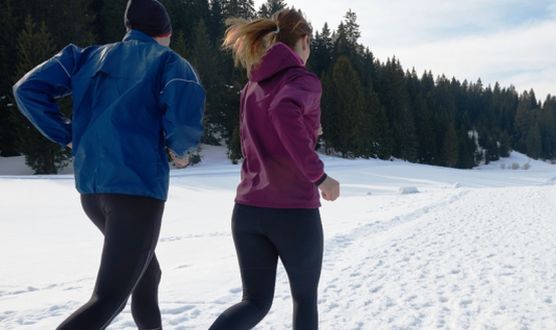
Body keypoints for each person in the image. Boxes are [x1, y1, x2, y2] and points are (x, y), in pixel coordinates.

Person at [12, 0, 205, 328]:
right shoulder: (170, 62)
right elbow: (183, 123)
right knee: (108, 299)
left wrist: (68, 135)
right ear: (165, 32)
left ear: (129, 28)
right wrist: (181, 152)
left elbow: (26, 88)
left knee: (147, 274)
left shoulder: (84, 56)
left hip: (93, 192)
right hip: (136, 191)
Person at [210, 8, 340, 330]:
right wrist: (320, 176)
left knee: (254, 302)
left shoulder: (251, 86)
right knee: (305, 299)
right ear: (305, 41)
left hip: (248, 210)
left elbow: (261, 135)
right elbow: (283, 112)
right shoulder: (302, 79)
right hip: (292, 212)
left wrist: (309, 131)